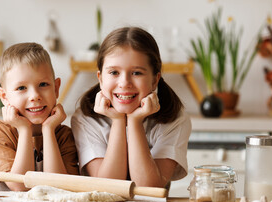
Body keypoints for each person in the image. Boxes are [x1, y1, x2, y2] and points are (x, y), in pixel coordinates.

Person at [71, 27, 191, 189]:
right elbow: (108, 187)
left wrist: (134, 121)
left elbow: (149, 188)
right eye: (114, 72)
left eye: (137, 73)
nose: (124, 83)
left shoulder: (176, 119)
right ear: (100, 78)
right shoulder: (85, 118)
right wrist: (118, 120)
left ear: (155, 80)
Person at [0, 42, 79, 192]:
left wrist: (48, 130)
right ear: (4, 96)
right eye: (21, 88)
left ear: (56, 88)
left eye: (43, 84)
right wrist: (24, 130)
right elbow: (20, 186)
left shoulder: (63, 135)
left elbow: (59, 190)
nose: (34, 96)